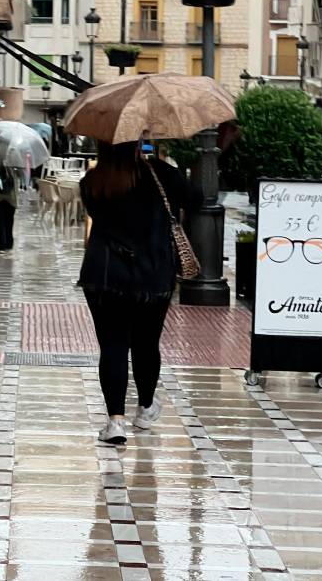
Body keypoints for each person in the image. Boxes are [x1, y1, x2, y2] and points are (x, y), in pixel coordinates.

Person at [78, 141, 193, 445]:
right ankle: (144, 408)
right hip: (153, 274)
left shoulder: (92, 182)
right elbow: (196, 199)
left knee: (113, 344)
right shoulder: (161, 173)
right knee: (146, 342)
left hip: (104, 273)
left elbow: (101, 218)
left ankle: (115, 421)